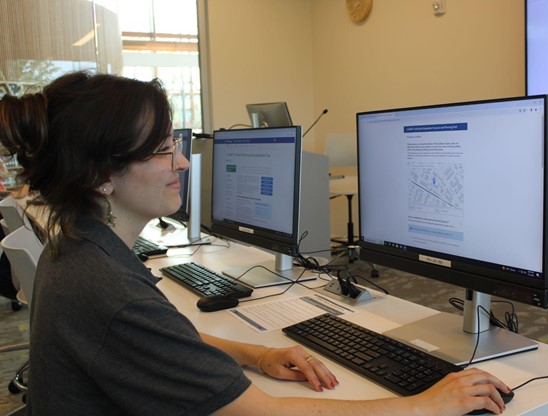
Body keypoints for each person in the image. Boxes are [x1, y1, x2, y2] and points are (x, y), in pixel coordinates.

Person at [0, 71, 511, 416]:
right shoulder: (108, 288)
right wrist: (422, 405)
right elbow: (267, 413)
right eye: (161, 151)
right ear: (100, 177)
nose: (181, 162)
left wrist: (254, 353)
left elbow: (163, 339)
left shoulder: (78, 245)